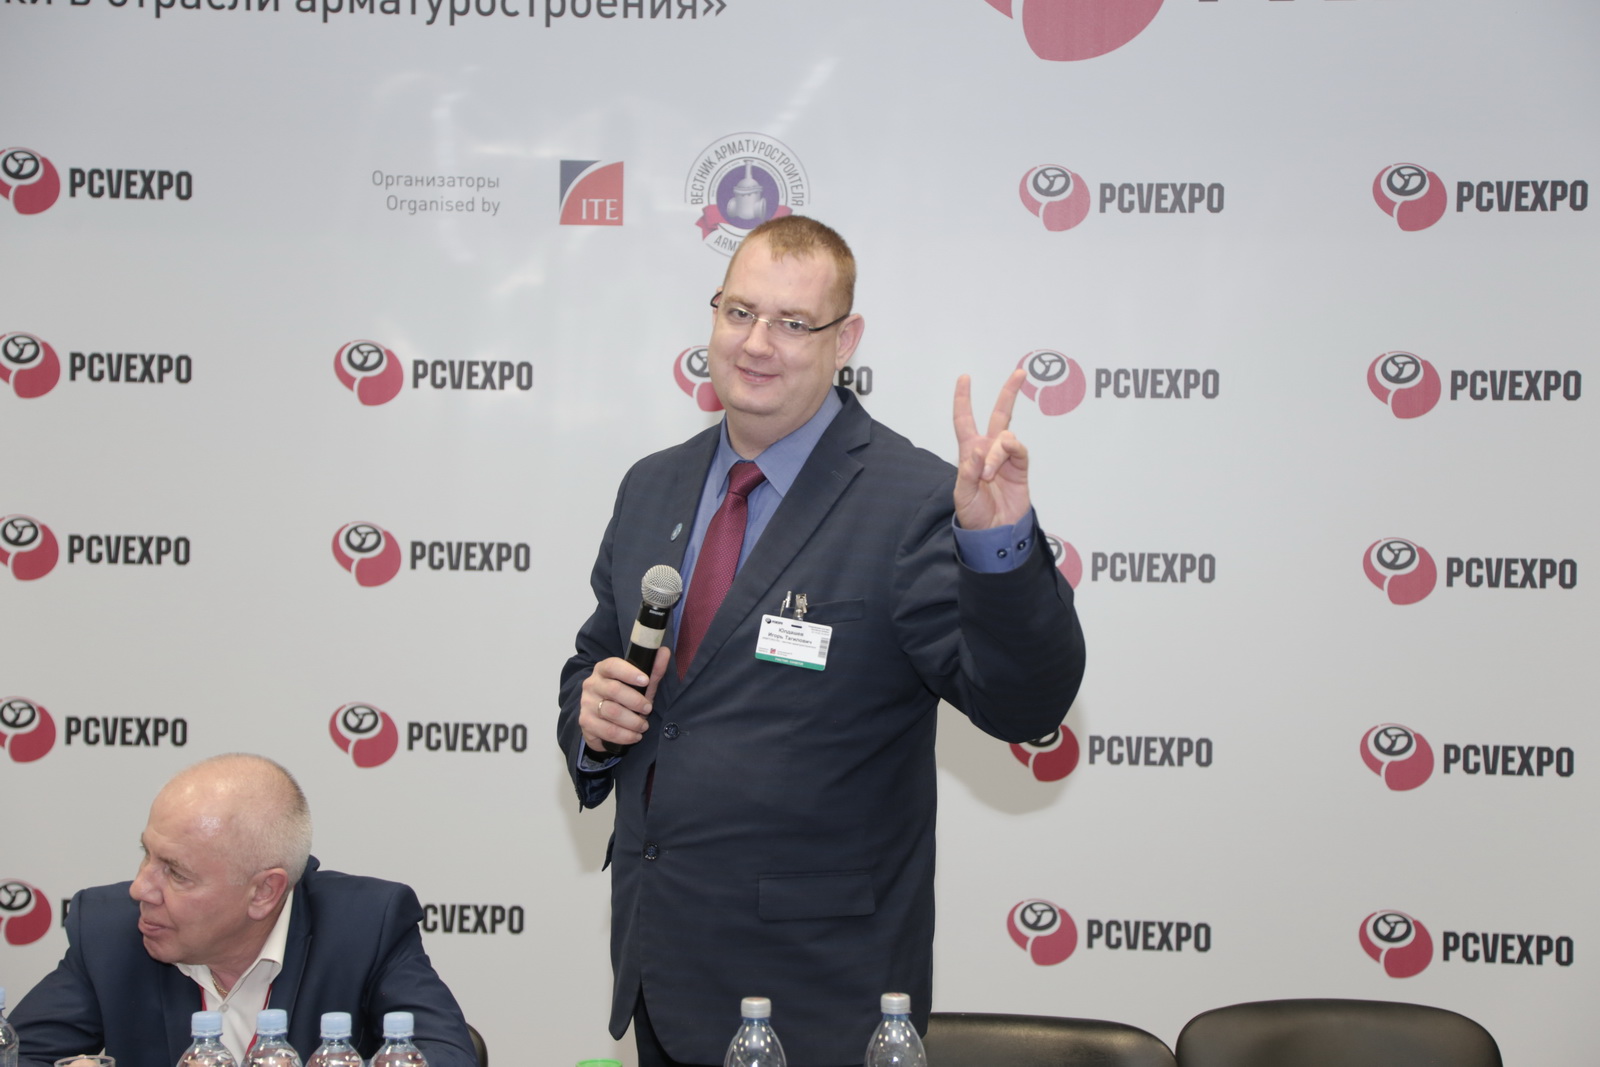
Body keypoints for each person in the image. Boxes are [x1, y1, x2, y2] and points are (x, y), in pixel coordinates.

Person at [557, 216, 1086, 1066]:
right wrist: (592, 719)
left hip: (823, 996)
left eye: (793, 323)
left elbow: (1026, 703)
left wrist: (999, 545)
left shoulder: (913, 499)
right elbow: (596, 658)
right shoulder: (652, 485)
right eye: (739, 312)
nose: (756, 343)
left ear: (846, 340)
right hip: (662, 969)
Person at [10, 754, 477, 1067]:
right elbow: (17, 1054)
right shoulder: (108, 929)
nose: (140, 888)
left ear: (263, 893)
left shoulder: (366, 924)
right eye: (146, 854)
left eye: (176, 872)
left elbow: (446, 1054)